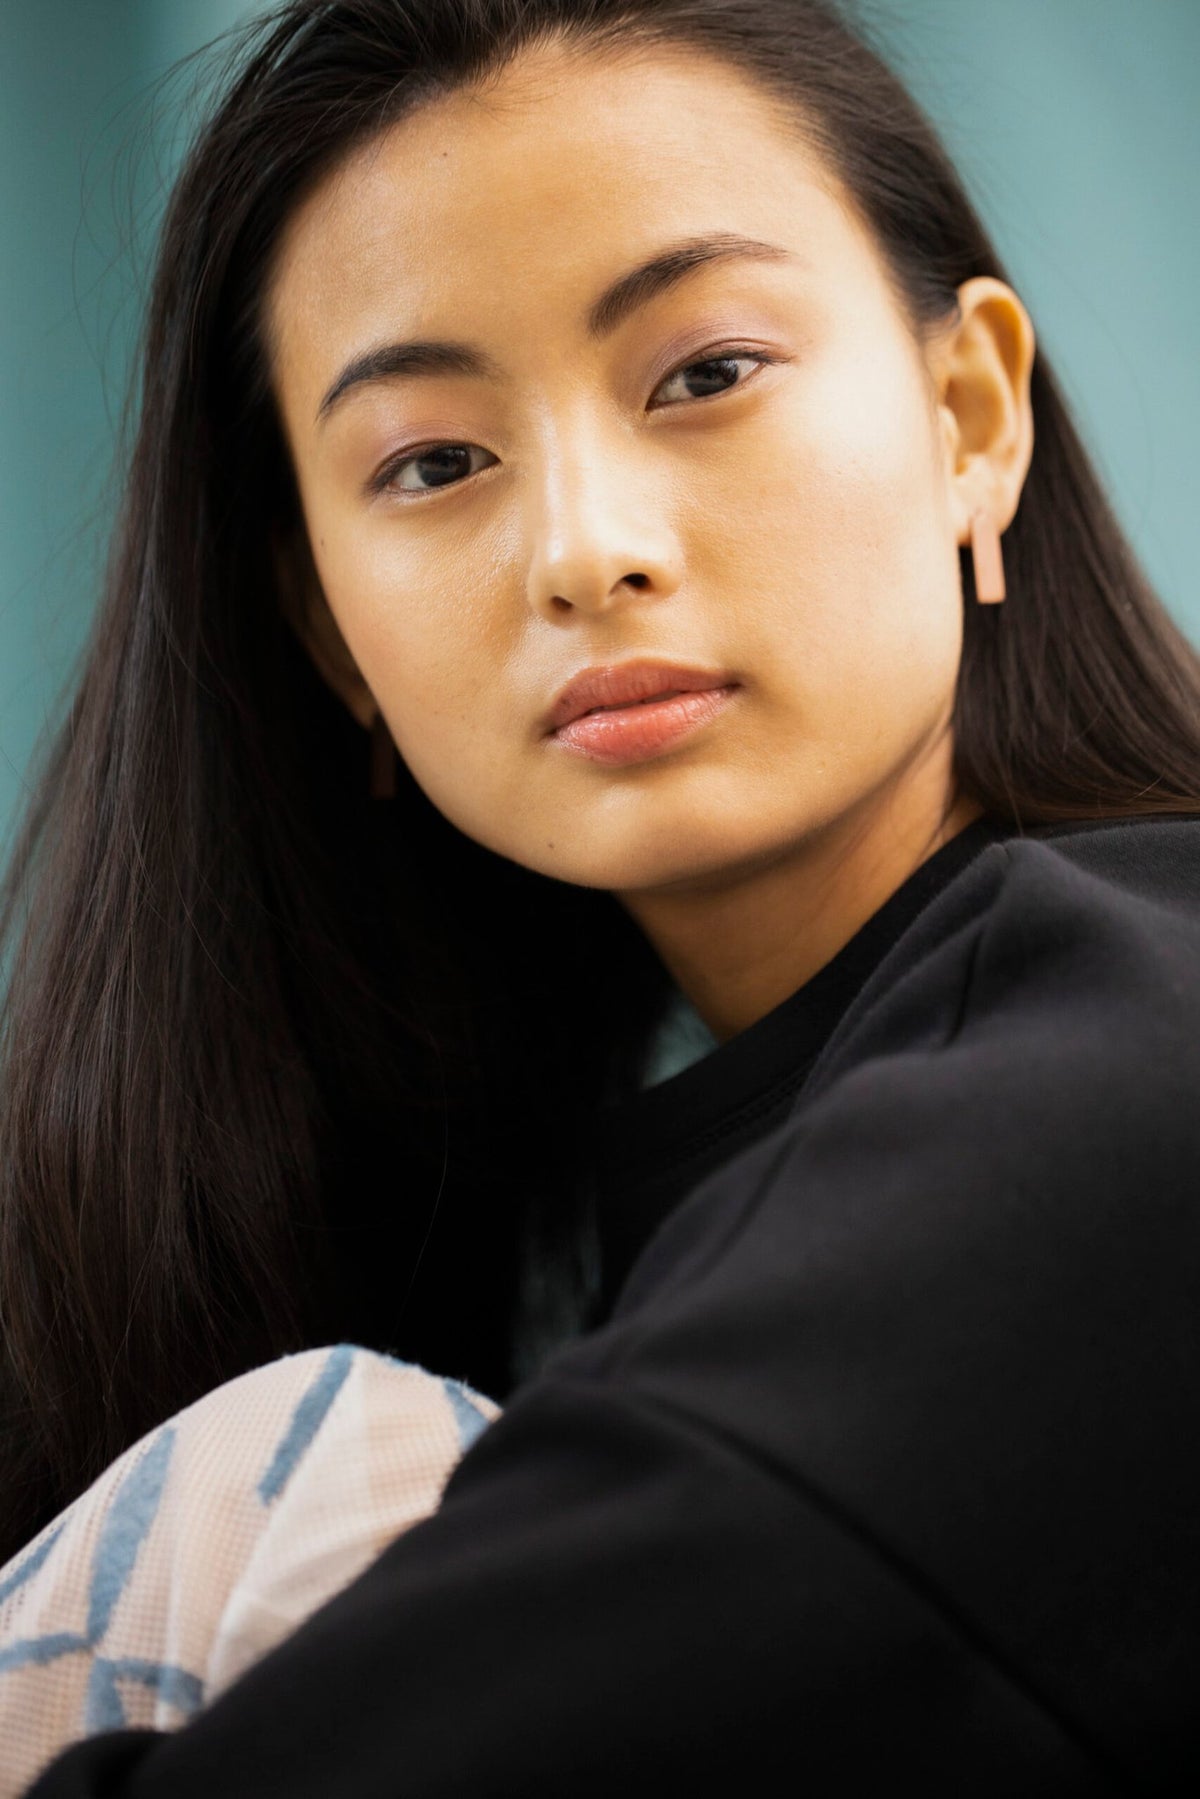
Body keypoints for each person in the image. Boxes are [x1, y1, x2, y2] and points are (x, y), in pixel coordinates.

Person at [2, 0, 1198, 1789]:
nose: (581, 547)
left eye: (705, 371)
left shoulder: (1132, 1073)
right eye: (430, 462)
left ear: (972, 417)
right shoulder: (543, 1234)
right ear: (332, 631)